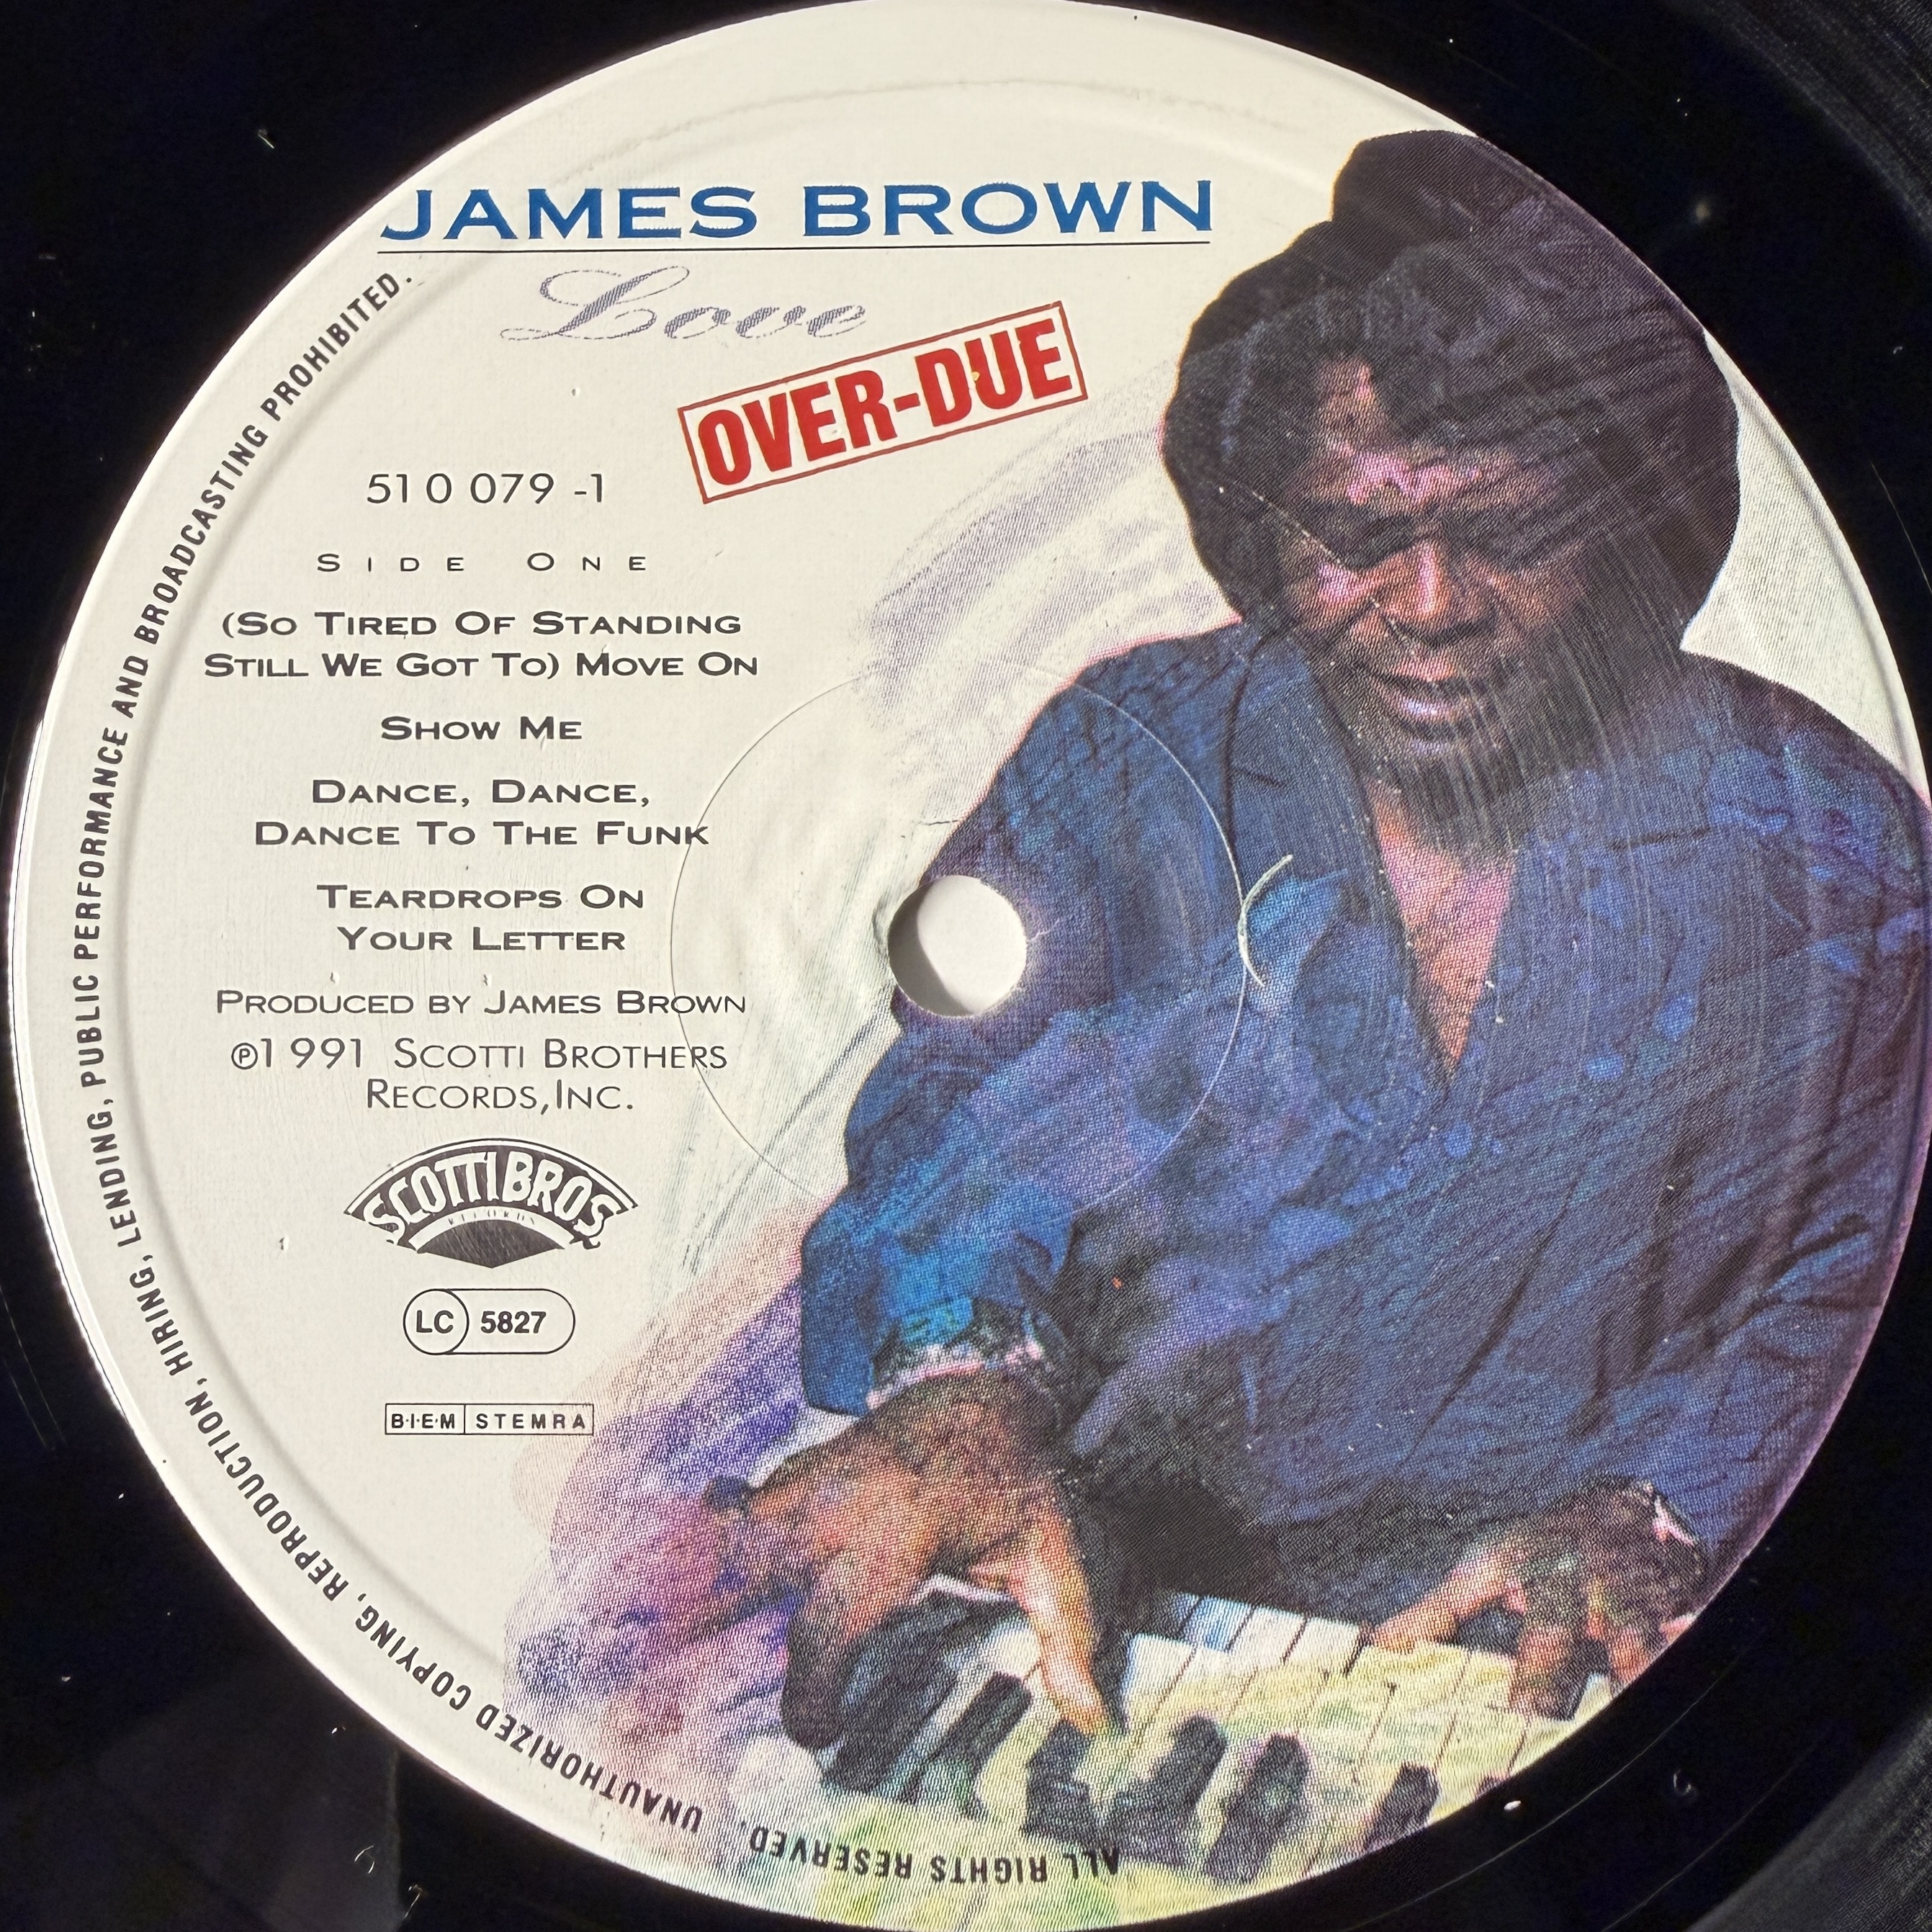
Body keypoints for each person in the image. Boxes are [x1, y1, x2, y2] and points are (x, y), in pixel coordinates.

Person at [585, 130, 1931, 1751]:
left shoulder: (1831, 849)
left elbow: (1854, 1265)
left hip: (1535, 1656)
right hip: (1076, 1558)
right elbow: (963, 1103)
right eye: (1353, 536)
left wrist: (1653, 1509)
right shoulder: (1127, 753)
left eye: (1510, 533)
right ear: (1264, 533)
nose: (1429, 603)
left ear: (1635, 533)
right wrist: (960, 1394)